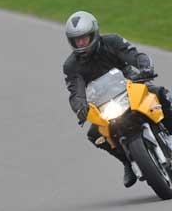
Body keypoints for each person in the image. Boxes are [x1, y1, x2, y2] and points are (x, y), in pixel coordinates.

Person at [63, 10, 172, 187]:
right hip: (104, 103)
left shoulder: (112, 41)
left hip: (130, 85)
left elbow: (134, 55)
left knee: (161, 94)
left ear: (94, 33)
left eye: (85, 38)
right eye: (77, 40)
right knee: (95, 135)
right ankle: (127, 162)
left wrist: (144, 66)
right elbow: (76, 92)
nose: (81, 42)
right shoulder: (71, 65)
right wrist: (80, 108)